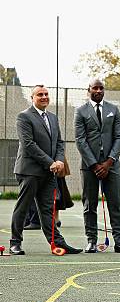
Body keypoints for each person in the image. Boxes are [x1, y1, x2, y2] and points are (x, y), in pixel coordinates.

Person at [9, 85, 82, 255]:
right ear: (32, 97)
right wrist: (51, 162)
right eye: (40, 94)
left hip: (49, 173)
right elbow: (28, 145)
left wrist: (58, 160)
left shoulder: (53, 118)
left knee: (48, 209)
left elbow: (59, 143)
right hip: (29, 171)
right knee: (24, 207)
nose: (44, 97)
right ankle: (15, 243)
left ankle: (58, 243)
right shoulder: (24, 117)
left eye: (46, 94)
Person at [74, 79, 120, 254]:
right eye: (95, 88)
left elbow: (119, 137)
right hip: (89, 167)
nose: (98, 90)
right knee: (89, 205)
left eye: (101, 88)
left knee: (115, 204)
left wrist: (109, 162)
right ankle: (91, 241)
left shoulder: (113, 110)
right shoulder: (81, 112)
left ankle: (119, 242)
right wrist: (94, 164)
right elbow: (80, 140)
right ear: (88, 90)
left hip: (111, 166)